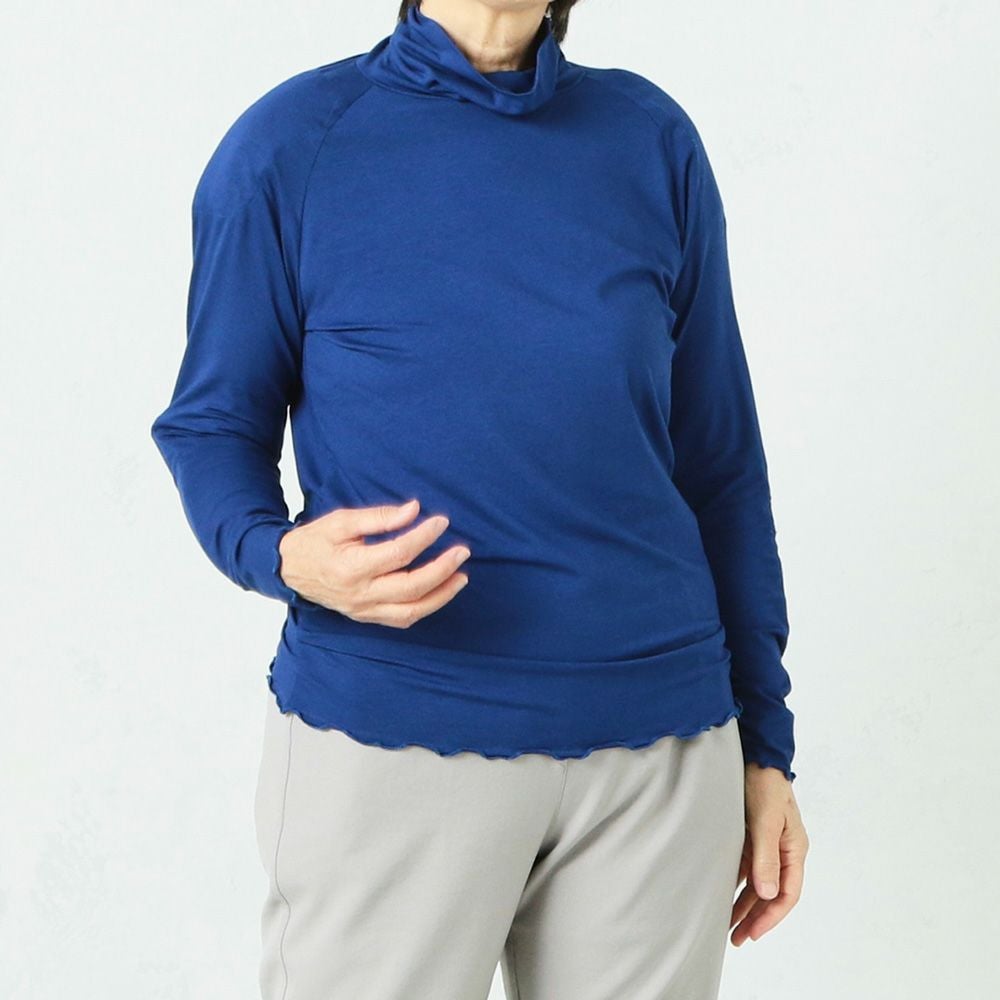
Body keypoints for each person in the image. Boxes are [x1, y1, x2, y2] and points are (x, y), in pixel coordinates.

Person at [150, 1, 810, 997]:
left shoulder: (649, 139)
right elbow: (210, 427)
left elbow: (720, 466)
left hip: (662, 755)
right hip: (396, 733)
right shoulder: (292, 145)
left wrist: (765, 747)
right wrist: (279, 554)